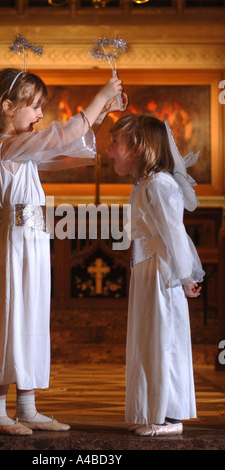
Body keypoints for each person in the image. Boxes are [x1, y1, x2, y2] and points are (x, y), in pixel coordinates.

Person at [0, 68, 126, 436]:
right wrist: (101, 95)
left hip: (34, 240)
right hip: (16, 243)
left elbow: (66, 149)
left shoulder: (24, 149)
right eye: (35, 107)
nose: (41, 115)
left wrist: (101, 114)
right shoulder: (6, 146)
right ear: (8, 107)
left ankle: (27, 407)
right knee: (13, 320)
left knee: (32, 321)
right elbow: (64, 135)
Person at [107, 114, 204, 437]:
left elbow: (174, 234)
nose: (109, 151)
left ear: (137, 147)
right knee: (148, 339)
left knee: (164, 339)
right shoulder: (145, 184)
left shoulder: (159, 185)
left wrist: (186, 275)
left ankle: (168, 416)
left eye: (114, 142)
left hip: (163, 274)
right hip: (147, 272)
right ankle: (151, 408)